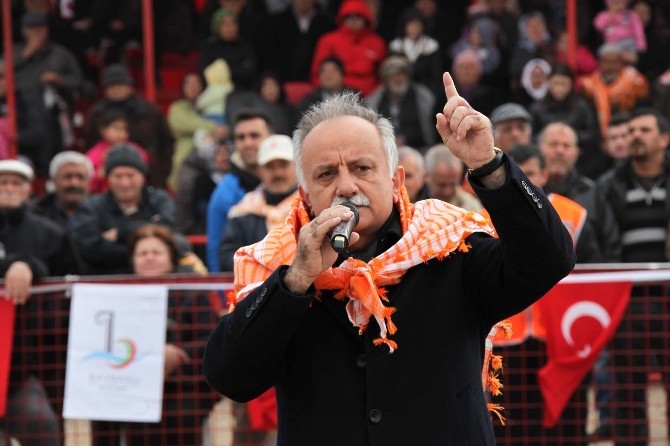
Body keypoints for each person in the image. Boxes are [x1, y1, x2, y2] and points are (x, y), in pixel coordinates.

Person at [202, 73, 575, 445]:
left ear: (396, 181)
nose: (346, 186)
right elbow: (231, 377)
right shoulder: (280, 266)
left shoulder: (449, 244)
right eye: (326, 174)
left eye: (362, 168)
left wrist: (488, 166)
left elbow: (549, 260)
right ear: (306, 195)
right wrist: (296, 280)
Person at [91, 224, 219, 446]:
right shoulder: (117, 296)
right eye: (142, 253)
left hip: (182, 384)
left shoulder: (192, 293)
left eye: (156, 252)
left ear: (171, 258)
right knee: (103, 410)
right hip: (128, 384)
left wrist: (177, 353)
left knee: (177, 415)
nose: (149, 258)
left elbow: (212, 339)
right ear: (133, 260)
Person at [596, 107, 670, 444]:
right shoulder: (609, 185)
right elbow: (604, 240)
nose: (635, 136)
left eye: (644, 130)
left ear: (664, 139)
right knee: (627, 391)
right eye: (631, 131)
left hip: (667, 297)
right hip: (626, 300)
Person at [0, 159, 81, 446]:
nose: (9, 188)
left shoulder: (50, 232)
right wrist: (18, 264)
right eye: (3, 183)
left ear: (27, 190)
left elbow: (72, 279)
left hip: (34, 356)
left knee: (43, 428)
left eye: (16, 183)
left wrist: (29, 267)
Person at [74, 144, 176, 275]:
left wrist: (120, 233)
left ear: (142, 176)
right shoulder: (92, 207)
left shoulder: (160, 200)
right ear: (108, 178)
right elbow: (91, 249)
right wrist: (147, 235)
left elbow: (170, 233)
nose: (125, 183)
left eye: (130, 175)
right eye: (118, 176)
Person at [538, 122, 621, 262]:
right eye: (553, 144)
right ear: (539, 148)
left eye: (566, 146)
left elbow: (611, 245)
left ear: (576, 153)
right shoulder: (527, 191)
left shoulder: (593, 194)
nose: (560, 151)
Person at [83, 64, 175, 190]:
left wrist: (160, 172)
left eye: (120, 85)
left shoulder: (150, 111)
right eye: (112, 86)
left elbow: (167, 141)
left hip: (149, 175)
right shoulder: (96, 113)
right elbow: (89, 143)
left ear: (130, 86)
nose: (117, 89)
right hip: (105, 179)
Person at [219, 134, 299, 271]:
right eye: (270, 167)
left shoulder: (310, 207)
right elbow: (227, 258)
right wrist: (266, 270)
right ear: (260, 170)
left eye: (283, 165)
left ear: (296, 167)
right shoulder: (242, 212)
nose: (277, 173)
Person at [206, 110, 272, 272]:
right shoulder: (224, 192)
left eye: (254, 135)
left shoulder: (295, 183)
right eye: (241, 137)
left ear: (271, 137)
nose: (247, 143)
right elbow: (216, 251)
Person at [167, 72, 229, 192]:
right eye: (188, 83)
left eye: (196, 83)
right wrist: (213, 127)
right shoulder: (178, 107)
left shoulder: (210, 108)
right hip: (186, 158)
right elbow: (183, 123)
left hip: (210, 160)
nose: (193, 86)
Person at [310, 0, 387, 96]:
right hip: (335, 94)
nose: (353, 20)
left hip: (370, 95)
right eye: (349, 16)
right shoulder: (328, 40)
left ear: (365, 18)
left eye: (358, 16)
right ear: (342, 18)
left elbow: (383, 74)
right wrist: (325, 94)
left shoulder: (377, 42)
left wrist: (377, 95)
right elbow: (316, 74)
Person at [367, 55, 437, 150]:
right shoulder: (375, 99)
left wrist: (405, 139)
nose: (398, 79)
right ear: (386, 79)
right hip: (384, 147)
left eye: (402, 74)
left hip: (418, 148)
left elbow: (427, 129)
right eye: (394, 75)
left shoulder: (423, 97)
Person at [85, 109, 151, 194]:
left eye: (124, 129)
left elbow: (145, 160)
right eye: (116, 128)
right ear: (103, 130)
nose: (121, 134)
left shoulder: (134, 150)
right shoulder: (95, 153)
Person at [33, 150, 93, 231]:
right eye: (68, 177)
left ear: (90, 181)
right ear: (53, 180)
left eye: (80, 177)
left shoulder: (101, 214)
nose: (74, 184)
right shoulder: (36, 214)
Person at [424, 143, 482, 211]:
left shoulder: (471, 206)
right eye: (442, 185)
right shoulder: (414, 202)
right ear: (426, 177)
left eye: (453, 184)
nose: (447, 192)